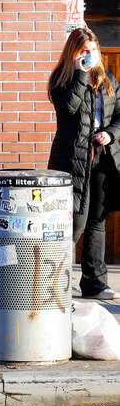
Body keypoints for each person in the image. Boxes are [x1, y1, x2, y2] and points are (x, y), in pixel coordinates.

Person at [47, 26, 120, 299]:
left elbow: (119, 116)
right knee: (74, 222)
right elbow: (68, 109)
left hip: (101, 158)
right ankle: (55, 282)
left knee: (97, 222)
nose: (90, 56)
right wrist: (79, 73)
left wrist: (110, 134)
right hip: (72, 161)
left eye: (93, 50)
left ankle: (96, 282)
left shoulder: (107, 81)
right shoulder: (62, 80)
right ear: (73, 53)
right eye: (84, 51)